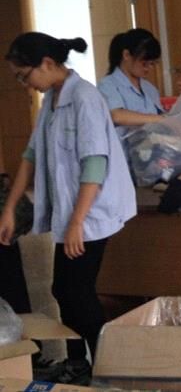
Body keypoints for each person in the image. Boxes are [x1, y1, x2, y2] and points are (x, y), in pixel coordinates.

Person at [0, 32, 136, 385]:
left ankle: (104, 366)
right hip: (73, 213)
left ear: (47, 63)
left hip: (92, 213)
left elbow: (95, 163)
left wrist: (77, 222)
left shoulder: (85, 98)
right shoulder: (52, 98)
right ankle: (80, 362)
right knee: (65, 290)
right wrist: (10, 207)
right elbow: (30, 156)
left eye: (24, 75)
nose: (25, 84)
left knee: (77, 292)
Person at [97, 28, 181, 154]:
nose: (149, 68)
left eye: (153, 64)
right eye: (144, 63)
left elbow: (161, 119)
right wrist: (161, 119)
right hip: (123, 157)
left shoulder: (149, 88)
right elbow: (117, 115)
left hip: (151, 156)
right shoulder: (108, 84)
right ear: (126, 55)